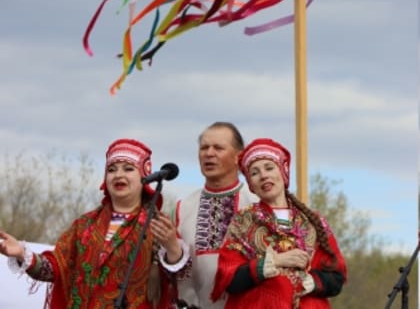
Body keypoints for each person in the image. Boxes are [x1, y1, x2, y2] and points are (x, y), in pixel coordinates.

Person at [0, 138, 190, 309]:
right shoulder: (85, 224)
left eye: (128, 168)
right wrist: (21, 253)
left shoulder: (157, 225)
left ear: (145, 177)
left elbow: (180, 281)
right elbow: (56, 268)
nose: (118, 175)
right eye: (111, 169)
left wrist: (173, 247)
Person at [211, 138, 347, 309]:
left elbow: (336, 278)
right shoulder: (243, 222)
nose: (263, 175)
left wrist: (308, 281)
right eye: (254, 173)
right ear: (251, 185)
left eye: (269, 168)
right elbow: (229, 280)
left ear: (283, 172)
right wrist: (275, 261)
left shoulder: (312, 221)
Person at [175, 122, 257, 309]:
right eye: (204, 147)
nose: (209, 153)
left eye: (218, 148)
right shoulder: (184, 208)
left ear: (239, 157)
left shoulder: (256, 204)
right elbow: (179, 274)